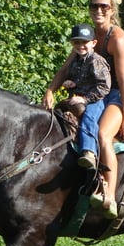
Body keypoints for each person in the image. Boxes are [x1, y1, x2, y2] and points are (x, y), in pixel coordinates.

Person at [83, 0, 124, 219]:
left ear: (112, 10)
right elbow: (68, 64)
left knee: (103, 134)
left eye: (104, 6)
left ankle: (110, 195)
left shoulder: (118, 39)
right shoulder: (90, 35)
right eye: (94, 6)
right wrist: (52, 90)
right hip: (94, 93)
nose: (99, 10)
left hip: (114, 95)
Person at [43, 23, 111, 167]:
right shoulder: (76, 61)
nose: (81, 45)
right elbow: (74, 77)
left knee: (89, 118)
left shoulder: (96, 61)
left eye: (84, 42)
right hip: (76, 97)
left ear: (93, 43)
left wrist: (85, 99)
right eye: (76, 42)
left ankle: (89, 152)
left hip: (94, 100)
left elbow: (104, 87)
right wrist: (69, 82)